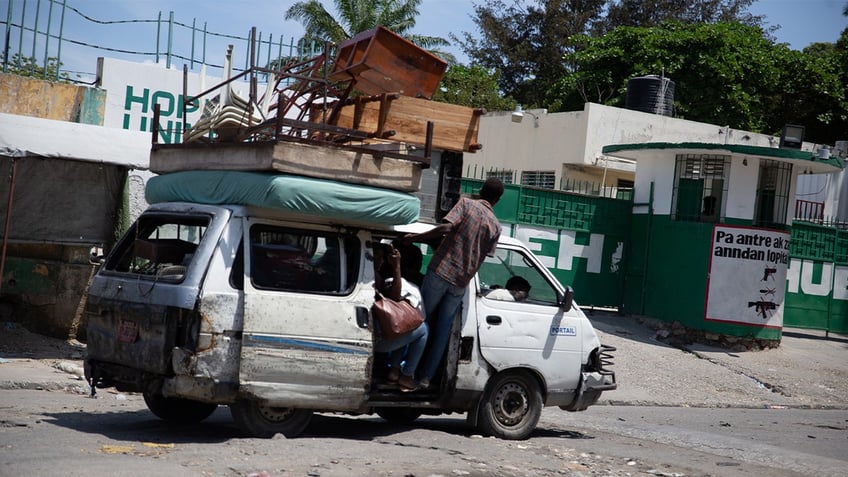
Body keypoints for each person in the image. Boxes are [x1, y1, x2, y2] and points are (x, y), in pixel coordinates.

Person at [401, 177, 504, 389]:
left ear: (481, 190)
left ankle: (404, 370)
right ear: (498, 200)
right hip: (460, 284)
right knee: (442, 330)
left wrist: (414, 239)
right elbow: (486, 253)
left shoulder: (466, 204)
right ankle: (426, 377)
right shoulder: (496, 226)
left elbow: (446, 229)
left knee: (419, 321)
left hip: (441, 272)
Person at [372, 243, 428, 392]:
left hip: (379, 335)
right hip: (378, 340)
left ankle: (395, 371)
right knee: (423, 329)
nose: (381, 261)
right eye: (377, 256)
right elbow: (395, 297)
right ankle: (407, 375)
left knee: (407, 324)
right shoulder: (375, 277)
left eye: (382, 257)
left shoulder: (375, 275)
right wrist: (397, 267)